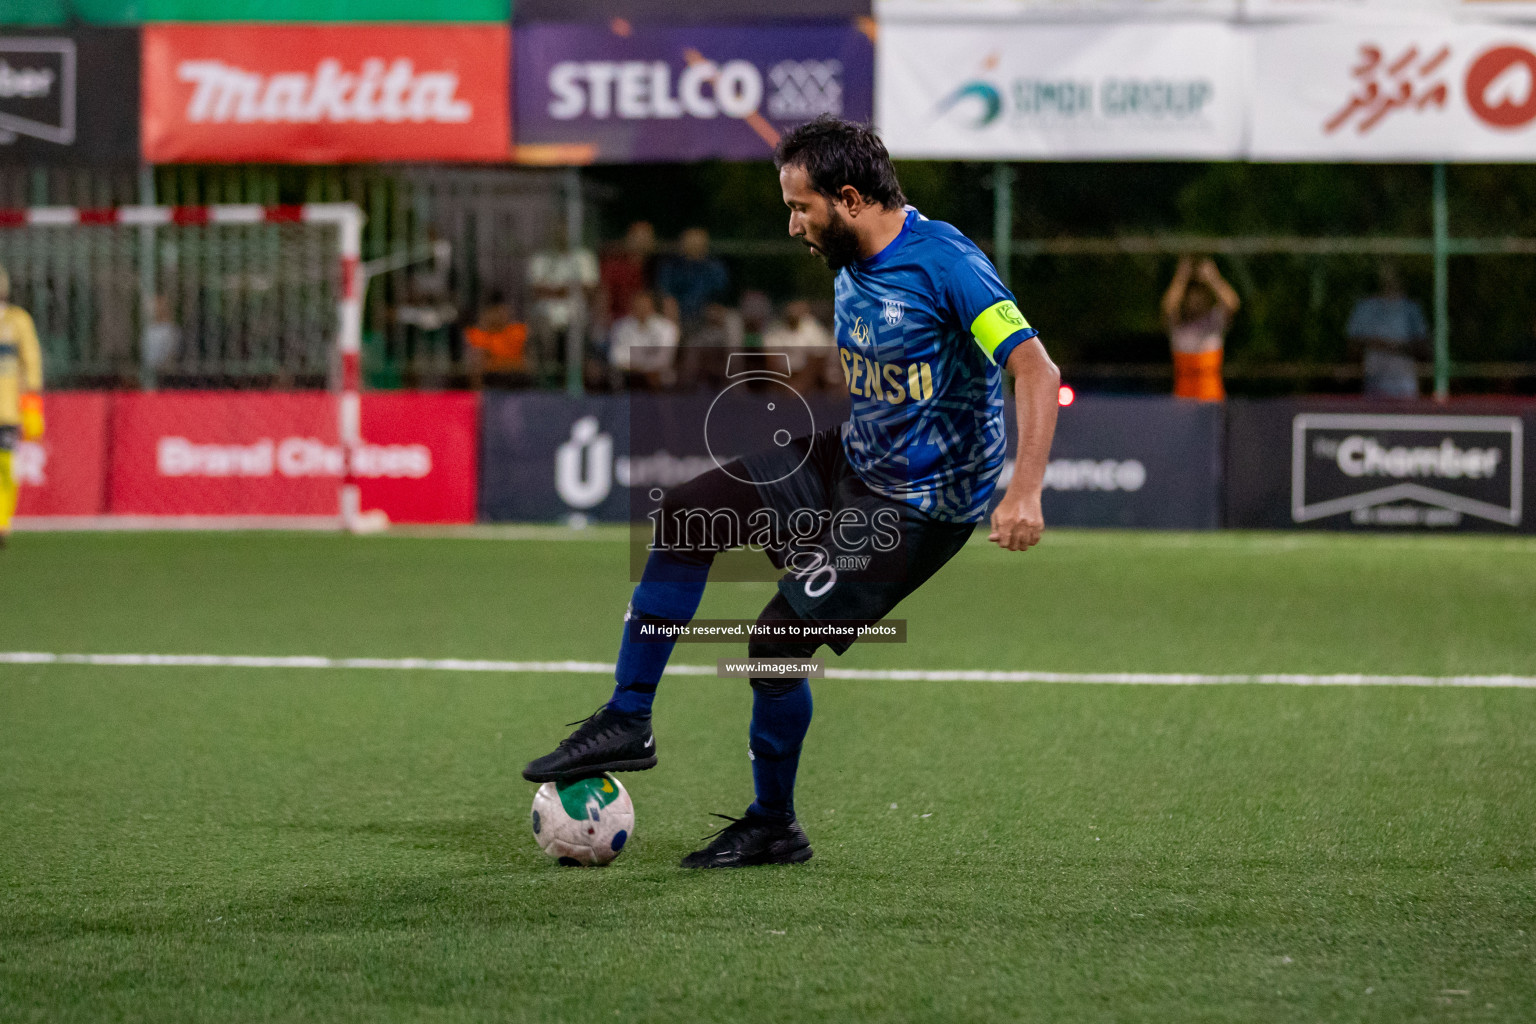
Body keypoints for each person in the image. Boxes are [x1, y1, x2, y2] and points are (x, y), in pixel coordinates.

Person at [523, 116, 1060, 869]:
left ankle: (774, 824)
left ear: (848, 198)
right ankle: (627, 717)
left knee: (773, 646)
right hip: (853, 461)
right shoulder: (848, 252)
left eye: (801, 207)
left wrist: (1024, 491)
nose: (791, 224)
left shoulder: (947, 263)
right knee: (685, 515)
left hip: (916, 508)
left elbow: (1035, 369)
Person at [0, 265, 44, 548]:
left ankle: (1, 523)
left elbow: (31, 364)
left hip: (6, 410)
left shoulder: (17, 321)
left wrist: (31, 407)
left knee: (4, 467)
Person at [1161, 256, 1240, 402]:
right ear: (1185, 299)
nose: (1196, 301)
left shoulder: (1214, 322)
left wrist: (1213, 278)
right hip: (1183, 401)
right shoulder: (1178, 325)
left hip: (1212, 400)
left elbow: (1232, 304)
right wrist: (1181, 277)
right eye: (1192, 297)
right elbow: (1168, 307)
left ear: (1207, 297)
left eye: (1200, 296)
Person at [527, 224, 599, 380]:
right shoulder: (541, 258)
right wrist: (571, 287)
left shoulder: (583, 257)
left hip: (575, 315)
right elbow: (536, 290)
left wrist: (555, 289)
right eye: (557, 232)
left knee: (577, 337)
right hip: (545, 315)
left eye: (565, 232)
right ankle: (547, 379)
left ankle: (574, 380)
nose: (561, 236)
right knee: (543, 335)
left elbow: (590, 288)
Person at [1347, 264, 1430, 399]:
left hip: (1405, 387)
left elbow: (1423, 348)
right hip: (1374, 385)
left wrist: (1393, 347)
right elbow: (1353, 348)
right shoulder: (1365, 308)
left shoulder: (1411, 310)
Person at [655, 227, 730, 336]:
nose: (693, 245)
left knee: (731, 320)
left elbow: (722, 296)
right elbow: (665, 296)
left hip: (706, 315)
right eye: (689, 241)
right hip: (677, 315)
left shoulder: (714, 267)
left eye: (697, 242)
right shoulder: (670, 266)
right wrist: (671, 314)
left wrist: (715, 308)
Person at [607, 290, 679, 391]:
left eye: (644, 305)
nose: (641, 309)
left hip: (657, 374)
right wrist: (640, 365)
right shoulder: (620, 326)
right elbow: (615, 357)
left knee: (661, 376)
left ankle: (661, 405)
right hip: (628, 373)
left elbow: (663, 358)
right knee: (614, 375)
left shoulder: (667, 328)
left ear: (652, 307)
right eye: (638, 305)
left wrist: (636, 361)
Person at [463, 292, 531, 389]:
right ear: (485, 313)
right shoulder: (477, 334)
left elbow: (525, 364)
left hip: (516, 380)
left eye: (501, 310)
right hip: (491, 381)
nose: (498, 315)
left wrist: (497, 363)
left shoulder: (518, 331)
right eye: (494, 311)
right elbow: (478, 366)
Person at [598, 221, 657, 331]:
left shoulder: (656, 266)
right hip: (620, 322)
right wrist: (604, 321)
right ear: (628, 239)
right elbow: (603, 295)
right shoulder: (614, 265)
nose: (642, 242)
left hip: (650, 322)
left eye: (646, 237)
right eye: (638, 237)